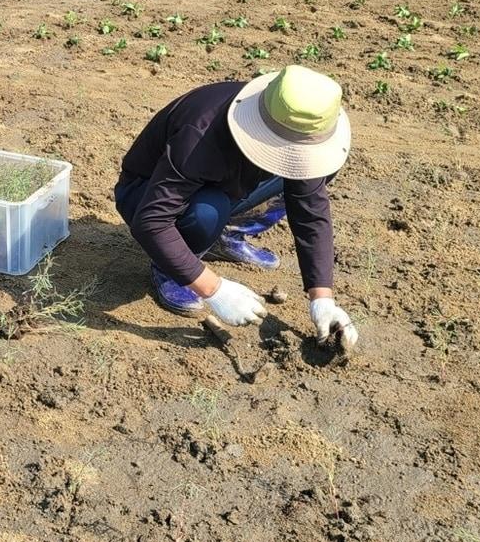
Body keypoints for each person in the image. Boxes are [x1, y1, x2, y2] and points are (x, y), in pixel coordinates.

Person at [115, 65, 359, 350]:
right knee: (207, 212)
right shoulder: (201, 133)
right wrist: (212, 288)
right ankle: (171, 269)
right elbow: (152, 221)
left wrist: (323, 298)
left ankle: (227, 233)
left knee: (314, 171)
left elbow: (311, 212)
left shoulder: (294, 125)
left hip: (228, 182)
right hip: (147, 194)